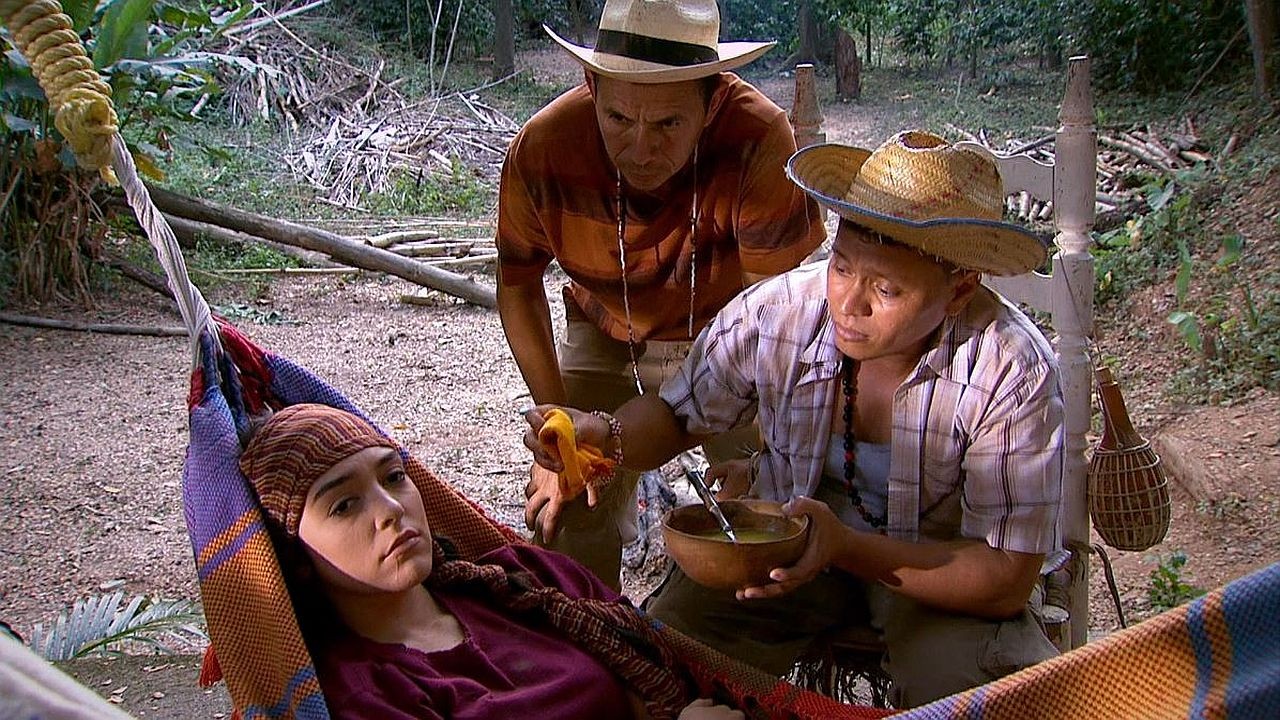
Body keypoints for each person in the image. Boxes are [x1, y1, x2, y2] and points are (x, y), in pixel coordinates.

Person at [521, 131, 1065, 707]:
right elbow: (677, 416)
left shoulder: (1010, 370)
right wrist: (607, 435)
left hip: (935, 573)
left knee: (980, 700)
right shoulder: (781, 313)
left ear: (959, 290)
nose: (849, 305)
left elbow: (1003, 577)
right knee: (659, 664)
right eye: (843, 267)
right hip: (779, 552)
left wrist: (842, 547)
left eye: (886, 289)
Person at [496, 0, 825, 589]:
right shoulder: (545, 148)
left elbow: (776, 317)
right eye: (619, 118)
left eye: (669, 124)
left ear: (712, 100)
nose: (640, 148)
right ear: (591, 86)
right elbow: (518, 286)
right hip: (605, 328)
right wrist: (558, 427)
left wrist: (763, 452)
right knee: (569, 510)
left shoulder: (759, 140)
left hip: (730, 341)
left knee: (774, 509)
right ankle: (597, 635)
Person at [238, 403, 743, 720]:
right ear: (295, 553)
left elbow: (653, 667)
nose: (390, 510)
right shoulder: (367, 694)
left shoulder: (528, 579)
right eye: (344, 505)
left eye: (393, 478)